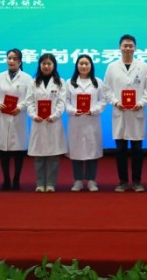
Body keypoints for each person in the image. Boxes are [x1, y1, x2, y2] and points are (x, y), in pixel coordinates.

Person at [103, 34, 147, 193]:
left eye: (131, 45)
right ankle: (123, 181)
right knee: (120, 150)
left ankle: (137, 181)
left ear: (135, 48)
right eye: (125, 45)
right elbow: (106, 89)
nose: (128, 48)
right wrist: (115, 102)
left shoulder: (143, 66)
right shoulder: (112, 67)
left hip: (136, 113)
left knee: (137, 150)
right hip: (120, 112)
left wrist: (141, 103)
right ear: (119, 47)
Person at [0, 48, 33, 191]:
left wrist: (20, 107)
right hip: (3, 116)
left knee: (18, 151)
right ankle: (6, 179)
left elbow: (29, 98)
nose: (11, 61)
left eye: (15, 59)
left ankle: (16, 179)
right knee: (4, 151)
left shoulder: (27, 78)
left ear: (20, 62)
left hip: (18, 116)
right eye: (9, 58)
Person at [65, 54, 107, 192]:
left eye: (86, 63)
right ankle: (77, 181)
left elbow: (103, 101)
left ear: (91, 66)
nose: (83, 66)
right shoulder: (69, 82)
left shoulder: (98, 82)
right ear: (77, 65)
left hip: (92, 121)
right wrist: (73, 110)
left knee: (92, 151)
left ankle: (91, 180)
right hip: (76, 121)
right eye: (81, 63)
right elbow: (65, 101)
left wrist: (93, 110)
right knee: (76, 152)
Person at [26, 53, 67, 193]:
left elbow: (62, 102)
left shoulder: (60, 82)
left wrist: (54, 116)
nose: (46, 66)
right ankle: (39, 183)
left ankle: (50, 183)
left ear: (54, 65)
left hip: (53, 122)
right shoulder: (33, 82)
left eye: (49, 63)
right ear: (40, 65)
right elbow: (29, 102)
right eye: (44, 63)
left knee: (53, 156)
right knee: (39, 155)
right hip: (38, 122)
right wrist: (33, 115)